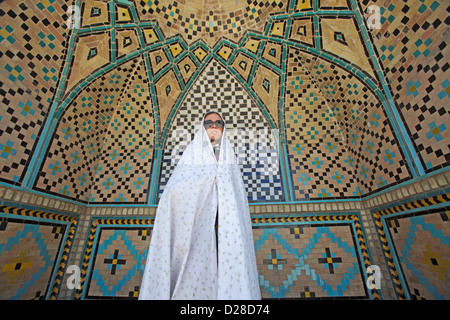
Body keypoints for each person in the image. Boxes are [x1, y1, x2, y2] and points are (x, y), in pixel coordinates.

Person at [139, 111, 261, 300]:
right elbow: (174, 191)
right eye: (209, 123)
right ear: (202, 128)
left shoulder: (230, 161)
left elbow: (236, 201)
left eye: (218, 122)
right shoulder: (192, 155)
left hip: (225, 239)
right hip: (195, 235)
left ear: (223, 128)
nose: (214, 126)